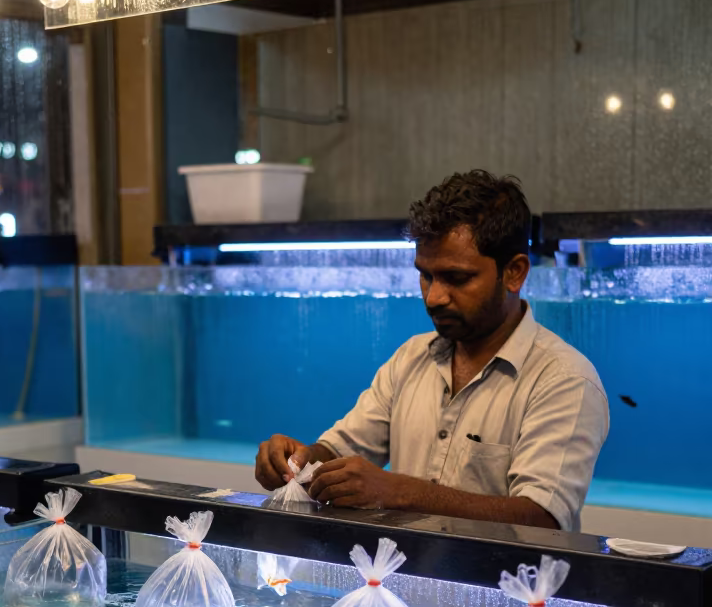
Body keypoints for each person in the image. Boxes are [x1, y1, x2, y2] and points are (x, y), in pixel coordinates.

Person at [255, 169, 608, 531]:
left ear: (514, 272)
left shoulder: (564, 380)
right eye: (426, 275)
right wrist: (302, 460)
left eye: (457, 278)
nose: (434, 297)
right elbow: (341, 450)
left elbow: (542, 518)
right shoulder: (411, 358)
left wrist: (399, 492)